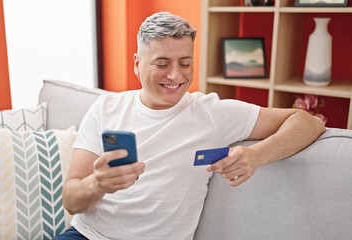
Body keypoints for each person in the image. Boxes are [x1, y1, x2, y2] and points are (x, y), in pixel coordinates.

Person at [54, 12, 325, 240]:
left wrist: (256, 155)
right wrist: (97, 184)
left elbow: (308, 122)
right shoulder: (105, 108)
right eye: (162, 64)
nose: (176, 75)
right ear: (137, 64)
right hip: (88, 235)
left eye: (185, 63)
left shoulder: (212, 113)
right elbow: (71, 200)